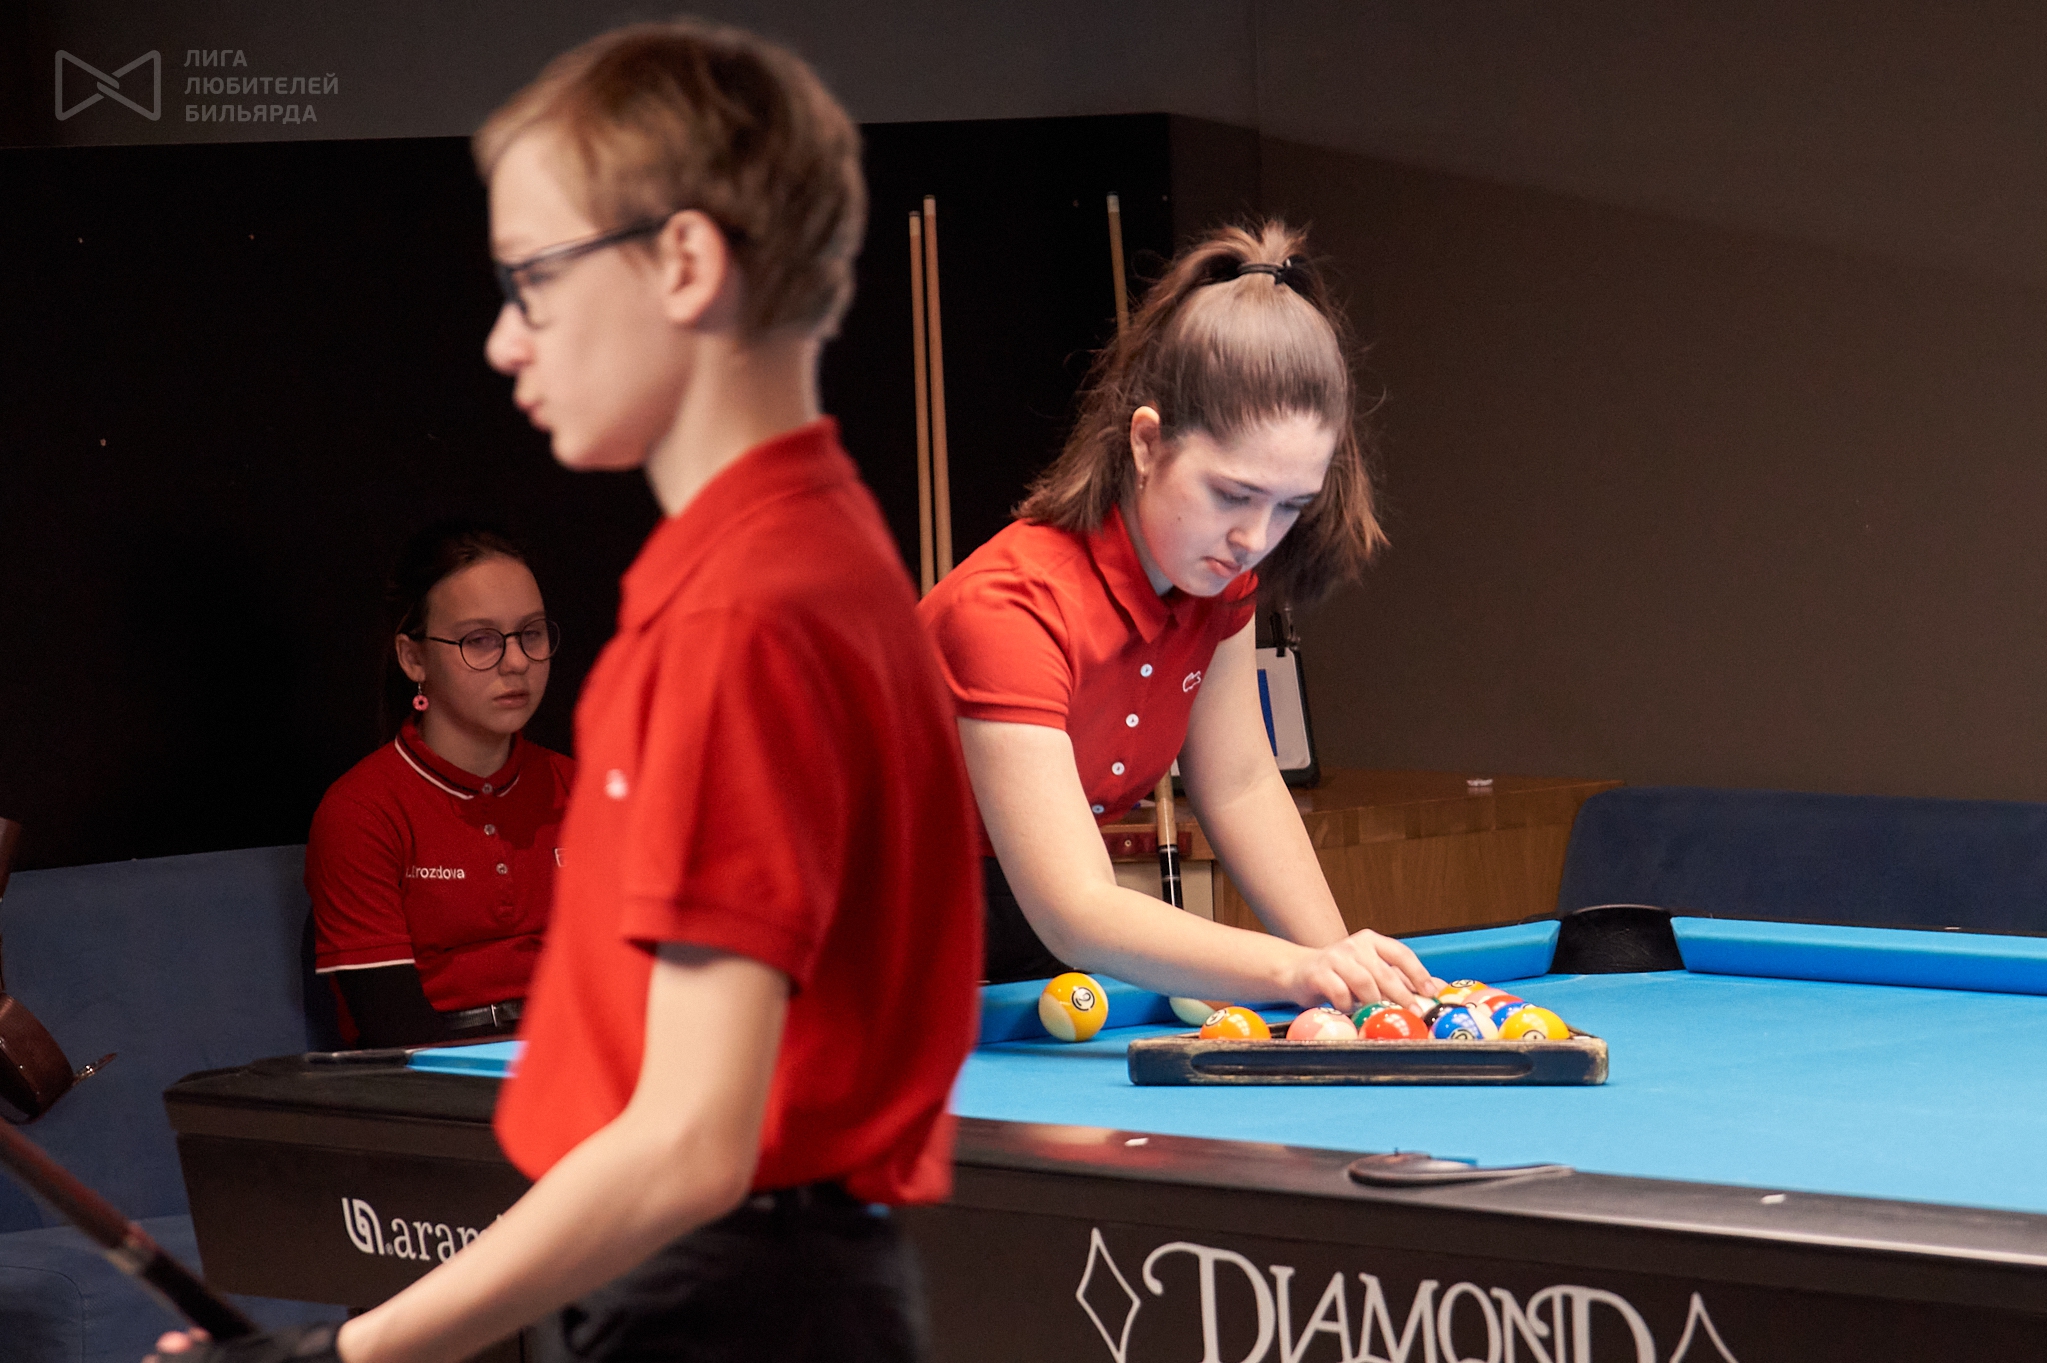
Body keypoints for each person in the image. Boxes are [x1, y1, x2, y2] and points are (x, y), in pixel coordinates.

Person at [156, 18, 979, 1363]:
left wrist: (339, 1353)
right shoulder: (814, 552)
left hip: (723, 1301)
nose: (503, 340)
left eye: (532, 280)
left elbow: (690, 1141)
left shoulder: (741, 616)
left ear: (684, 262)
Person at [919, 222, 1440, 1012]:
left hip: (1003, 921)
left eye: (1289, 505)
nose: (1254, 537)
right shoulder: (1011, 608)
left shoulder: (1218, 584)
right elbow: (1076, 908)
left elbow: (1238, 783)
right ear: (1146, 442)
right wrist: (1291, 971)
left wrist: (1351, 984)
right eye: (1232, 493)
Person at [306, 523, 575, 1047]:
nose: (517, 661)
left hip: (582, 1055)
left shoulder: (584, 790)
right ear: (414, 658)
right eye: (480, 640)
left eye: (532, 633)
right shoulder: (361, 812)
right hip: (438, 1075)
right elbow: (393, 1031)